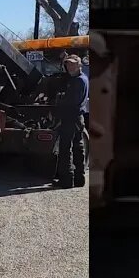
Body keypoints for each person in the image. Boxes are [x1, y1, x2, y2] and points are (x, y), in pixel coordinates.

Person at [53, 54, 89, 188]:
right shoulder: (81, 79)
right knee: (78, 147)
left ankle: (66, 180)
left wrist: (60, 101)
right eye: (68, 64)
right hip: (78, 117)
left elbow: (71, 101)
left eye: (73, 64)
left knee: (65, 148)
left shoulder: (78, 81)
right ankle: (79, 178)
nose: (70, 66)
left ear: (79, 65)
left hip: (71, 116)